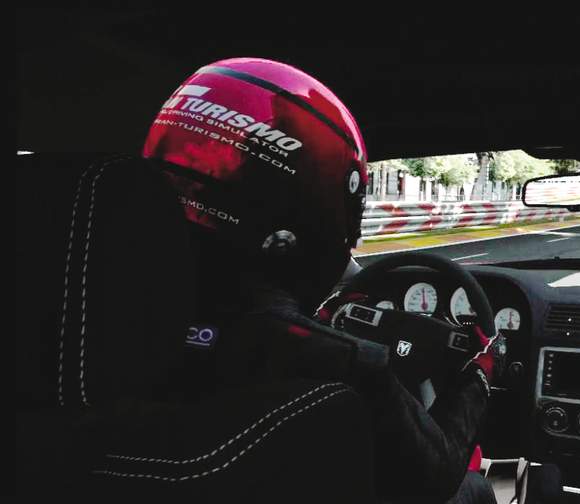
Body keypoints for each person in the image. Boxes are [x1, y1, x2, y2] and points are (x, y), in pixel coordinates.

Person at [142, 57, 497, 503]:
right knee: (478, 488)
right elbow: (434, 476)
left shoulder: (101, 312)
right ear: (321, 202)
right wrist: (479, 372)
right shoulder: (338, 363)